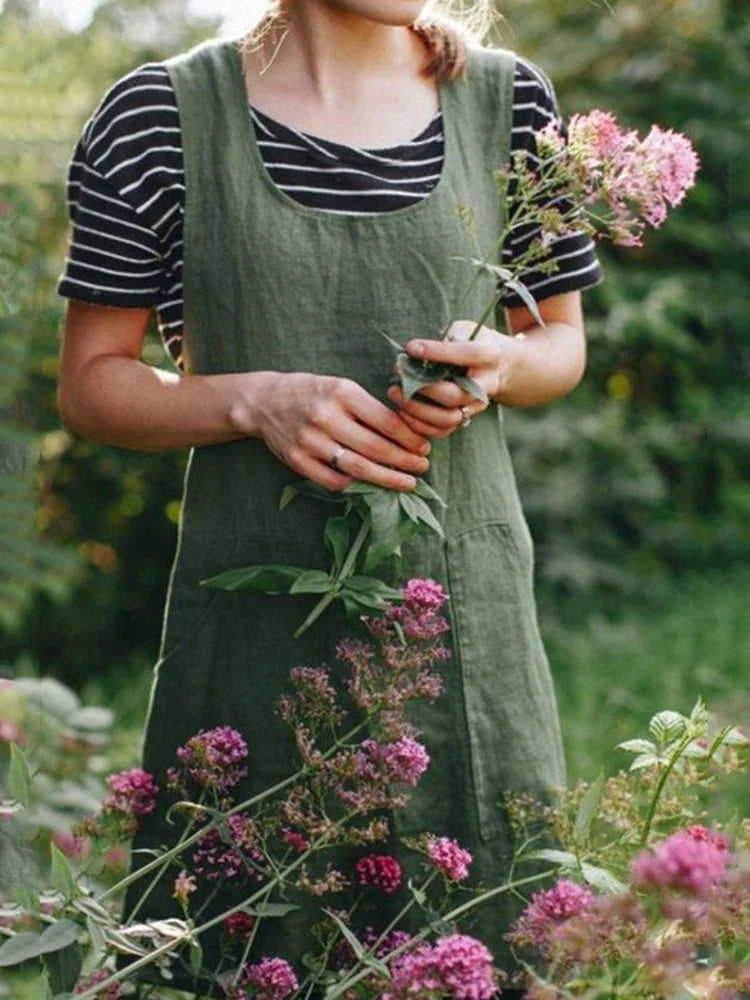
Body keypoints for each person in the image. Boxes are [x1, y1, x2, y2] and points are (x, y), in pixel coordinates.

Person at [57, 0, 602, 994]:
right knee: (249, 952)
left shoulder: (508, 102)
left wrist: (501, 365)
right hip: (253, 654)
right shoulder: (157, 115)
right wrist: (253, 402)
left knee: (481, 944)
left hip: (463, 648)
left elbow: (559, 343)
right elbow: (93, 382)